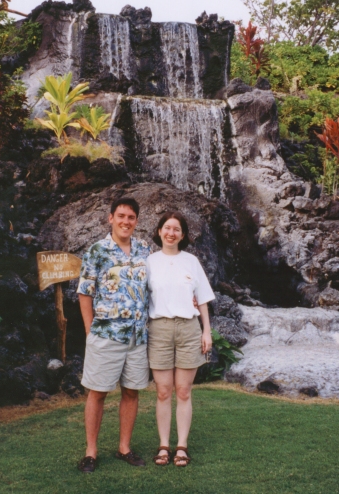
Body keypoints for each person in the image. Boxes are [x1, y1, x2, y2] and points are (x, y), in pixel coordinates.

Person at [76, 197, 151, 473]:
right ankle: (91, 452)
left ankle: (124, 448)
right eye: (121, 216)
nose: (125, 221)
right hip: (106, 334)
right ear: (110, 218)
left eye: (131, 217)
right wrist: (89, 331)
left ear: (137, 221)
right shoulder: (97, 251)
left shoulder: (144, 249)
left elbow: (155, 286)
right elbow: (85, 292)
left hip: (137, 336)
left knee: (131, 392)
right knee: (97, 392)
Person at [146, 211, 215, 467]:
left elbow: (204, 299)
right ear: (159, 231)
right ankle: (164, 446)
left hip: (188, 329)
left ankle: (182, 446)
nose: (171, 233)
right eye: (167, 228)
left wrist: (206, 331)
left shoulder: (192, 262)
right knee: (163, 392)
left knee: (183, 391)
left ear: (183, 234)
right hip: (159, 329)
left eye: (176, 229)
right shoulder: (149, 262)